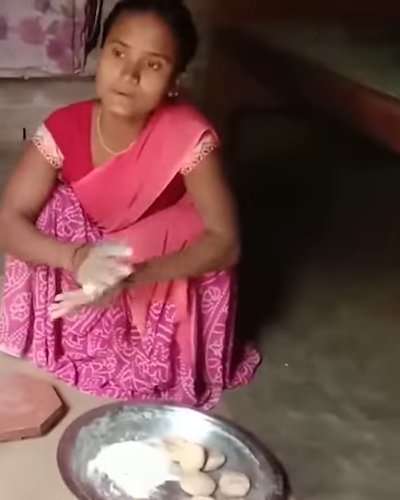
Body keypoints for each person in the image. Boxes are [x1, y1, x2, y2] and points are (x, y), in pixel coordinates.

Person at [0, 0, 260, 409]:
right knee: (51, 210)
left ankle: (143, 344)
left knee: (195, 228)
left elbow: (226, 242)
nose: (129, 75)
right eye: (118, 53)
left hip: (148, 264)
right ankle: (65, 331)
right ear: (100, 57)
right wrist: (77, 256)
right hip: (89, 265)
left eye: (153, 65)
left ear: (174, 80)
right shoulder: (63, 127)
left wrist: (133, 276)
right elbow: (8, 222)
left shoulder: (189, 137)